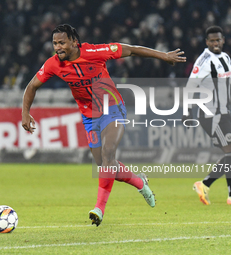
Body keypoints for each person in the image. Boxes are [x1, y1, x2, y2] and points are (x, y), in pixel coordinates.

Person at [22, 24, 186, 226]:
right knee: (105, 167)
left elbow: (132, 49)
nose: (57, 47)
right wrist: (25, 112)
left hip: (112, 108)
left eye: (62, 42)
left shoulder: (95, 52)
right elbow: (32, 86)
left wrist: (163, 56)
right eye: (55, 43)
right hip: (89, 117)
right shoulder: (53, 64)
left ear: (74, 42)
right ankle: (139, 182)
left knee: (109, 154)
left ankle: (99, 208)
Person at [183, 26, 231, 205]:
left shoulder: (224, 58)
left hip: (224, 113)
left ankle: (206, 184)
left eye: (218, 40)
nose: (215, 43)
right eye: (212, 41)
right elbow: (190, 86)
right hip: (211, 115)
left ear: (223, 40)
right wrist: (187, 112)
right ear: (207, 42)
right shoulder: (203, 61)